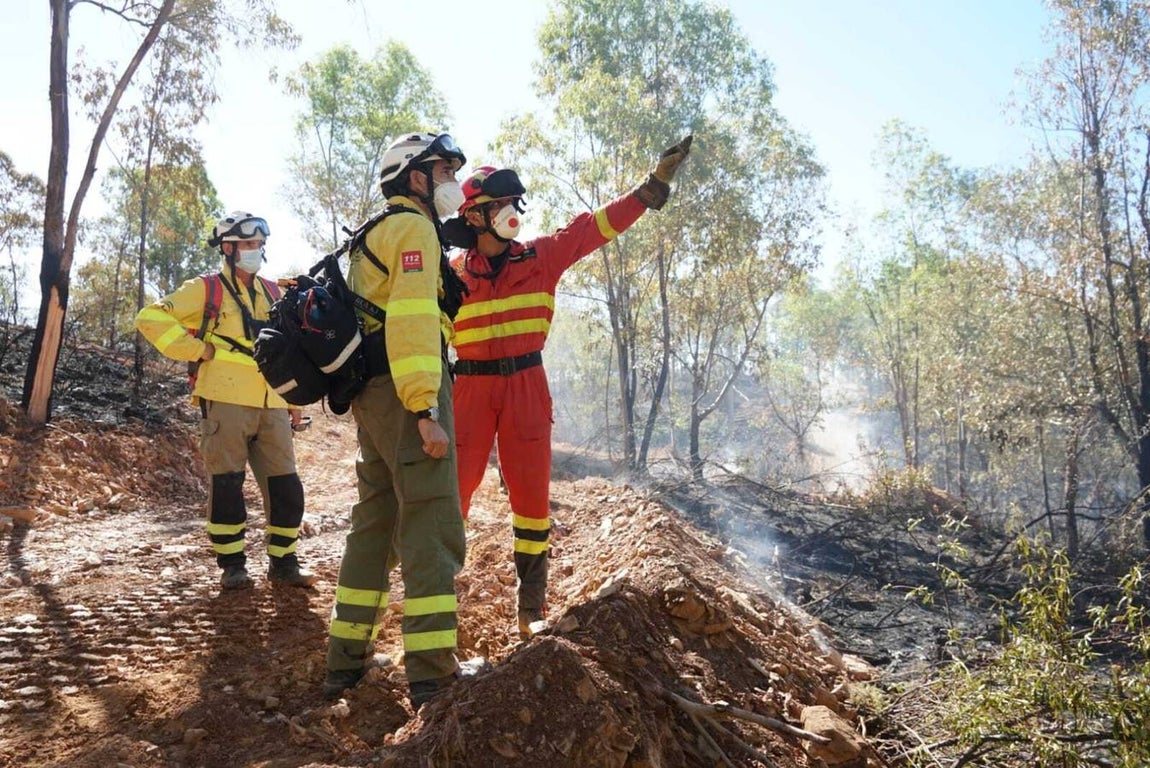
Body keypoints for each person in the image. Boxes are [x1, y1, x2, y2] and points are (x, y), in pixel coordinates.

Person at [444, 136, 692, 639]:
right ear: (474, 216)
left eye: (516, 203)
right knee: (453, 496)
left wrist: (650, 189)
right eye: (502, 205)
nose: (514, 212)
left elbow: (593, 229)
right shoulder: (449, 275)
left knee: (532, 501)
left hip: (526, 387)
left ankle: (530, 609)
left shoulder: (541, 256)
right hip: (467, 389)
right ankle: (439, 603)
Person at [323, 132, 484, 708]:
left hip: (372, 395)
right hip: (407, 390)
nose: (451, 183)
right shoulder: (413, 231)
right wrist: (424, 408)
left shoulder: (377, 232)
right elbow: (414, 322)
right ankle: (433, 673)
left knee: (374, 522)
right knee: (431, 523)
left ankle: (345, 661)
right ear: (413, 177)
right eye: (443, 171)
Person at [134, 211, 316, 591]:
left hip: (273, 403)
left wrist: (294, 404)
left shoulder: (273, 291)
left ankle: (284, 561)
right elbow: (150, 318)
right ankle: (233, 566)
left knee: (286, 485)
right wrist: (196, 348)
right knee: (227, 484)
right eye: (248, 244)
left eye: (259, 244)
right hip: (224, 400)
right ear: (228, 248)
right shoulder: (206, 289)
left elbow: (287, 352)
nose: (256, 250)